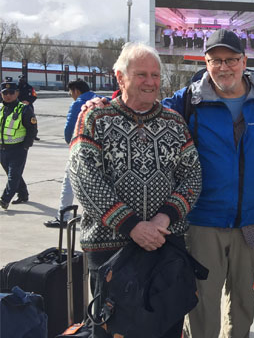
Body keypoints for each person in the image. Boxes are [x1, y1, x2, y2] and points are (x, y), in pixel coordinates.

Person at [162, 28, 254, 338]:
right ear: (206, 62)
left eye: (231, 59)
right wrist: (100, 104)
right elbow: (146, 110)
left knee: (243, 301)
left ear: (244, 61)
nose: (224, 67)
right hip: (204, 221)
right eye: (215, 60)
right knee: (203, 302)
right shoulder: (189, 101)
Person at [69, 42, 202, 337]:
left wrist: (162, 220)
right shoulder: (95, 118)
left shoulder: (174, 122)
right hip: (111, 248)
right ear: (120, 78)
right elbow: (83, 178)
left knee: (166, 326)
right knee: (114, 329)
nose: (151, 82)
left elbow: (192, 177)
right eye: (141, 74)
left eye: (155, 75)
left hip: (164, 246)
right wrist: (131, 226)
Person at [44, 79, 99, 228]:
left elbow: (69, 130)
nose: (71, 95)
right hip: (99, 151)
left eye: (70, 92)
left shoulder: (78, 104)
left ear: (76, 90)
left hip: (80, 149)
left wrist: (71, 145)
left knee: (68, 182)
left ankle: (63, 216)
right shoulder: (101, 99)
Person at [0, 78, 37, 210]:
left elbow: (32, 129)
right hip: (2, 149)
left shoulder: (24, 109)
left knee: (12, 176)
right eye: (5, 93)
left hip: (18, 149)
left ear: (16, 93)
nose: (8, 96)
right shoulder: (0, 108)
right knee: (15, 175)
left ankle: (4, 200)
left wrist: (26, 146)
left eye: (11, 93)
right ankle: (23, 194)